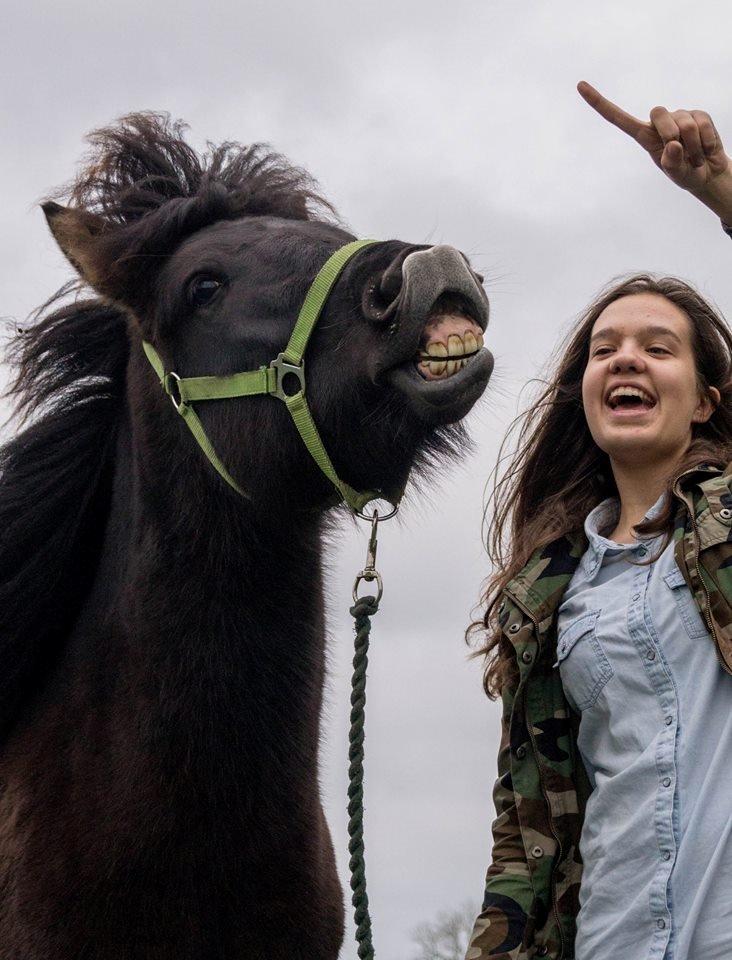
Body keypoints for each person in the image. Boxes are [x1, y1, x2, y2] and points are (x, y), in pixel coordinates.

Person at [465, 82, 732, 960]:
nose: (625, 357)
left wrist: (723, 197)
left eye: (659, 348)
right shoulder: (550, 594)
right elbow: (524, 840)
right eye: (604, 348)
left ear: (706, 402)